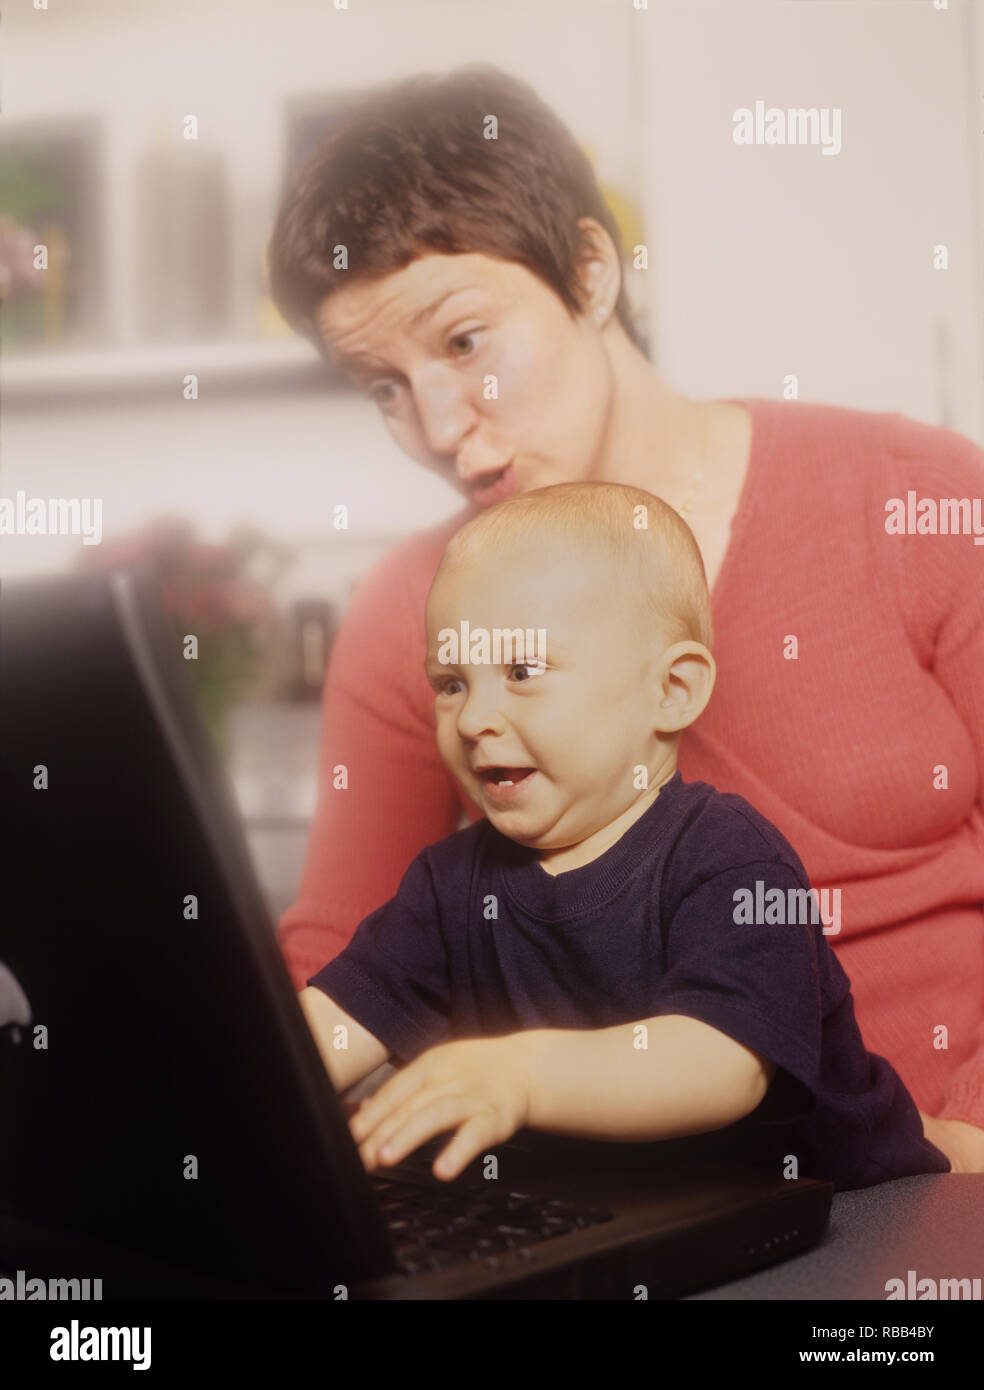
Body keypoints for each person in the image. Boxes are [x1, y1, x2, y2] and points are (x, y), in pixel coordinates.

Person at [267, 65, 984, 1172]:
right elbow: (346, 953)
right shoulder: (413, 611)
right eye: (383, 387)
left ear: (591, 274)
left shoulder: (921, 499)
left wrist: (967, 1146)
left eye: (463, 344)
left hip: (924, 1170)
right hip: (641, 1183)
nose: (438, 425)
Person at [299, 482, 949, 1192]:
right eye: (450, 682)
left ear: (671, 691)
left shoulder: (734, 861)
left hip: (844, 1216)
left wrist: (520, 1075)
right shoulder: (447, 885)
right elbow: (334, 1026)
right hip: (629, 1223)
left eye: (521, 672)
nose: (473, 716)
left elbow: (720, 1065)